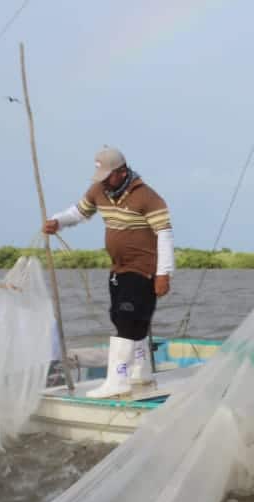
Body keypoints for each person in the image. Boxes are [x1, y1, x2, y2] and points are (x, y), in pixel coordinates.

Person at [42, 146, 174, 398]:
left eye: (107, 176)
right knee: (128, 319)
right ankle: (140, 370)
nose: (102, 181)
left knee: (127, 319)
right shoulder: (99, 190)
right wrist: (58, 221)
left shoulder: (148, 197)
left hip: (144, 269)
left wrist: (163, 274)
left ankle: (118, 380)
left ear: (122, 172)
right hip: (118, 268)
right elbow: (79, 212)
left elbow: (165, 235)